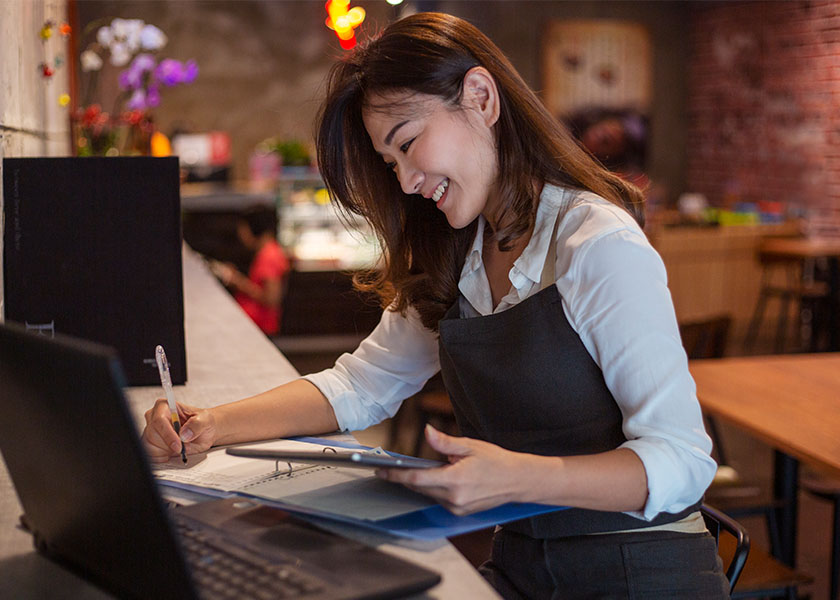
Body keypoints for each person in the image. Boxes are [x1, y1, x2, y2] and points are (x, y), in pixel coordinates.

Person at [143, 12, 727, 598]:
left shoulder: (596, 243)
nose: (405, 182)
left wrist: (521, 477)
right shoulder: (455, 252)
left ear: (481, 97)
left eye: (408, 144)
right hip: (524, 563)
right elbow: (360, 385)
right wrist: (211, 424)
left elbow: (682, 461)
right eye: (390, 163)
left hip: (642, 570)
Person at [210, 206, 290, 336]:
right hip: (255, 325)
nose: (241, 236)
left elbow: (272, 299)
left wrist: (238, 282)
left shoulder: (269, 255)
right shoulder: (269, 252)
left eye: (243, 230)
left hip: (260, 326)